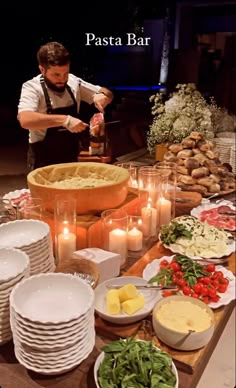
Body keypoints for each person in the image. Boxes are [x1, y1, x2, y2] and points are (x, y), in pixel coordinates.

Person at [17, 41, 113, 170]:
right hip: (43, 159)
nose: (62, 79)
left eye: (65, 73)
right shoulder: (32, 87)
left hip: (71, 156)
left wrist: (102, 96)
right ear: (42, 69)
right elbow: (25, 119)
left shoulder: (73, 81)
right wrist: (65, 120)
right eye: (56, 74)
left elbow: (106, 92)